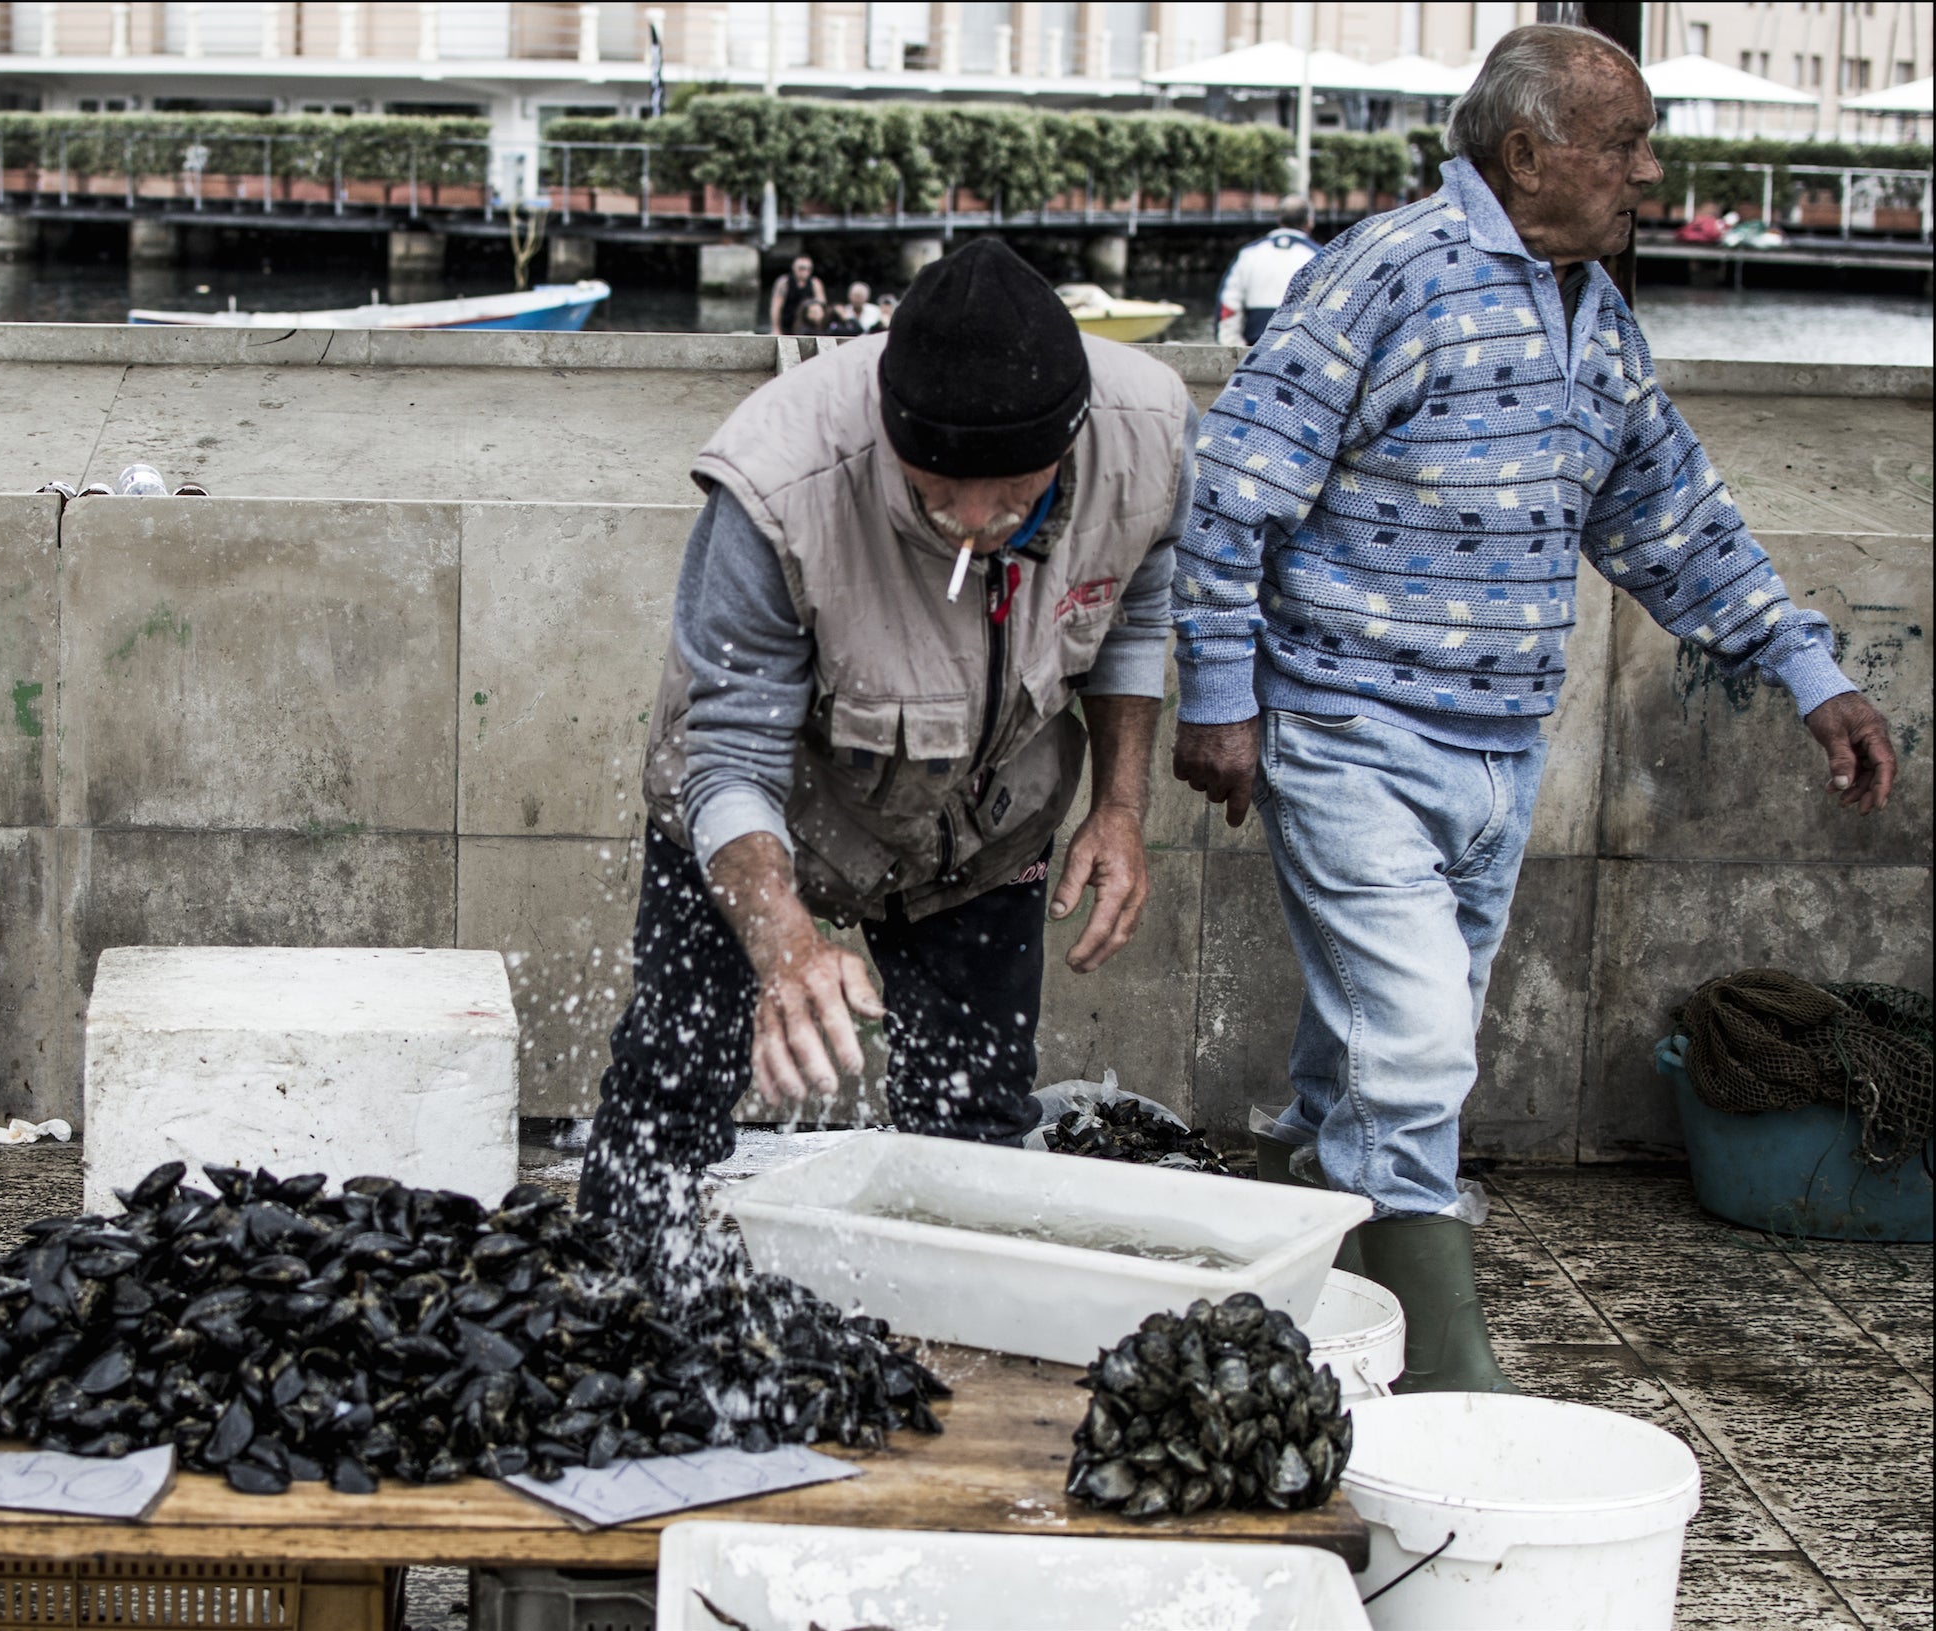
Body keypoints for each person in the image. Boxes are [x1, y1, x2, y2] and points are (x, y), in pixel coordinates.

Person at [1171, 23, 1896, 1392]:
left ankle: (1297, 1276)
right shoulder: (1387, 274)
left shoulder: (1593, 314)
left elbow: (1675, 518)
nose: (1649, 167)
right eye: (1623, 141)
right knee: (1422, 1040)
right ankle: (1450, 1363)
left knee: (1373, 1037)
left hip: (1499, 750)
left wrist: (1814, 672)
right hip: (1348, 729)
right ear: (1526, 153)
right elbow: (1237, 483)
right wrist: (1219, 696)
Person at [579, 240, 1200, 1235]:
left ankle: (944, 1336)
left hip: (986, 827)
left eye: (1010, 491)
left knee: (971, 1124)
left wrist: (1119, 805)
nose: (971, 522)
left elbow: (1134, 602)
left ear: (1070, 438)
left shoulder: (1151, 434)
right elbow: (727, 755)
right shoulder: (777, 481)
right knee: (671, 1081)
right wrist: (786, 947)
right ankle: (613, 1299)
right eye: (936, 485)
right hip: (765, 819)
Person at [1213, 196, 1320, 346]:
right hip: (1298, 349)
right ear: (1309, 222)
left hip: (1254, 345)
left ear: (1279, 219)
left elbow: (1229, 304)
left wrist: (1232, 346)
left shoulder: (1248, 254)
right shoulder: (1319, 256)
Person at [768, 253, 825, 337]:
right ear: (794, 268)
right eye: (801, 268)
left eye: (808, 269)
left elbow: (822, 305)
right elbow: (775, 308)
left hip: (806, 324)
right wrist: (776, 328)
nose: (805, 272)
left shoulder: (815, 283)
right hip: (787, 322)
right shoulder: (784, 282)